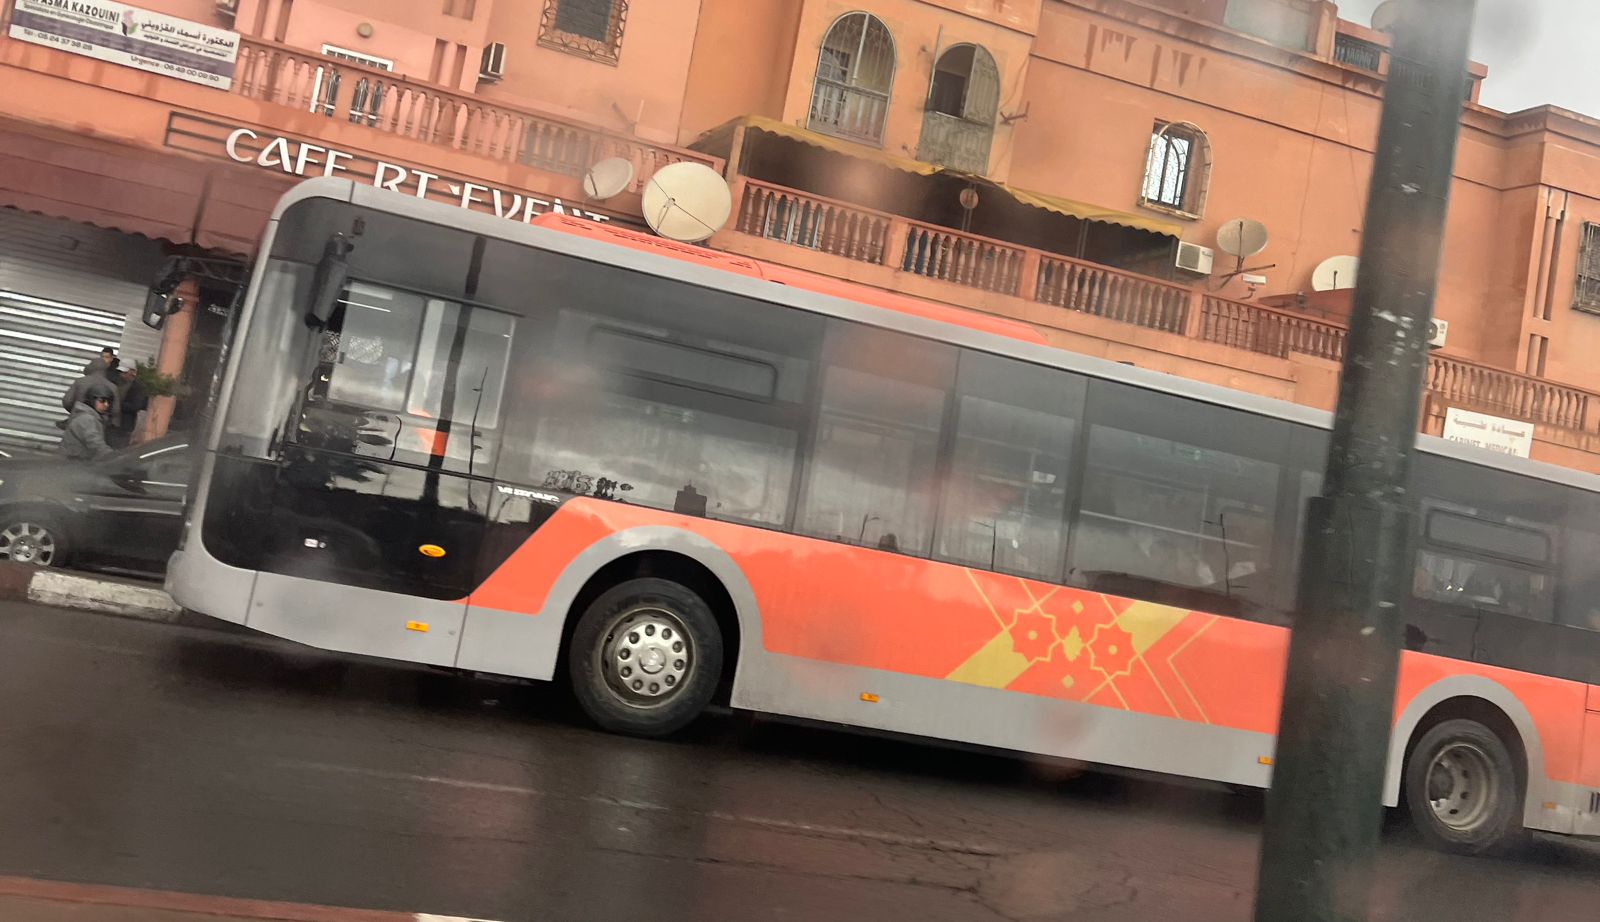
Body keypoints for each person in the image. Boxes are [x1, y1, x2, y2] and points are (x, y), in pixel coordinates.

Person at [61, 379, 115, 461]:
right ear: (92, 400)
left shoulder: (90, 416)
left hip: (74, 461)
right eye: (102, 401)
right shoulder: (86, 419)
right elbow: (94, 442)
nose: (106, 404)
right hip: (73, 463)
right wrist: (112, 456)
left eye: (109, 402)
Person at [111, 364, 148, 449]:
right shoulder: (118, 383)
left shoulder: (137, 387)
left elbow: (136, 405)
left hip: (125, 424)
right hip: (115, 423)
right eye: (121, 372)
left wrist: (118, 404)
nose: (122, 374)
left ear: (132, 372)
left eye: (124, 372)